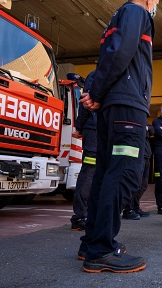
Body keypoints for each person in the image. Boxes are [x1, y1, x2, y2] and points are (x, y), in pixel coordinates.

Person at [77, 0, 159, 274]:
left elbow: (109, 57)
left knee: (105, 174)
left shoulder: (119, 17)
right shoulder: (137, 13)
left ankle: (92, 243)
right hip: (126, 107)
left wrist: (97, 92)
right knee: (124, 172)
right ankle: (101, 250)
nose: (155, 8)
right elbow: (121, 53)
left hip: (114, 106)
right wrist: (97, 93)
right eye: (156, 3)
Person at [71, 71, 96, 231]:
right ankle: (80, 216)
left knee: (96, 173)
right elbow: (86, 103)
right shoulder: (96, 75)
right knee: (90, 171)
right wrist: (80, 126)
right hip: (94, 130)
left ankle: (89, 214)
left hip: (101, 130)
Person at [121, 124, 154, 220]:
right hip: (138, 155)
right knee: (136, 183)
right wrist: (145, 130)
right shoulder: (134, 121)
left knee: (143, 185)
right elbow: (141, 132)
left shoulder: (143, 120)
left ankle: (135, 206)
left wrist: (147, 129)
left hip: (146, 155)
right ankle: (128, 209)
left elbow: (152, 130)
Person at [152, 101, 162, 214]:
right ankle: (161, 206)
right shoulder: (156, 121)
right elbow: (160, 133)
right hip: (160, 154)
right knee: (160, 181)